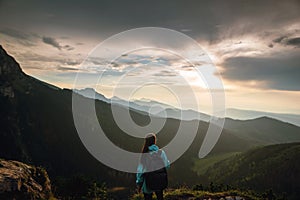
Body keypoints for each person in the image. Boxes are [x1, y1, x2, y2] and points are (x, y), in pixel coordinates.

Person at [136, 133, 170, 200]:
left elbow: (141, 171)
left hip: (148, 181)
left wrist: (139, 183)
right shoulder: (161, 152)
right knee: (160, 197)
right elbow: (167, 165)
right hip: (160, 179)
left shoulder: (145, 153)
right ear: (154, 141)